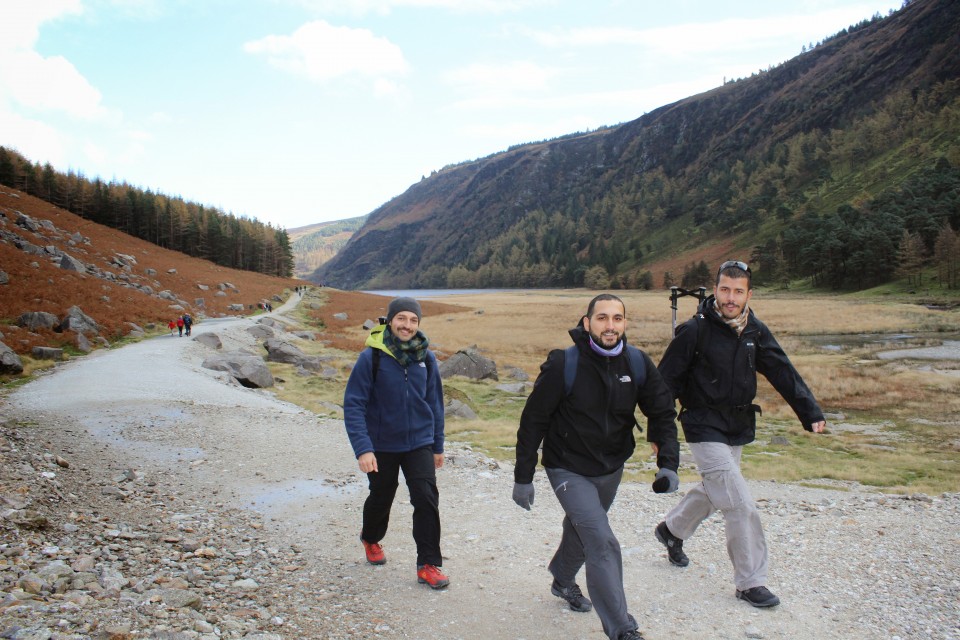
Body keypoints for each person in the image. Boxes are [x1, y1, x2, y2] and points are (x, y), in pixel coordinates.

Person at [655, 260, 827, 608]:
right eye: (724, 290)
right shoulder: (695, 331)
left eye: (738, 291)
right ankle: (750, 582)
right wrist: (661, 432)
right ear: (715, 290)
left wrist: (809, 412)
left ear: (749, 293)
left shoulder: (754, 330)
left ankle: (671, 530)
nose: (730, 298)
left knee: (716, 488)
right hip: (703, 426)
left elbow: (782, 370)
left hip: (736, 426)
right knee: (739, 502)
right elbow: (663, 384)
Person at [513, 293, 680, 640]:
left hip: (611, 467)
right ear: (587, 323)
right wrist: (523, 477)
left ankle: (562, 578)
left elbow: (662, 411)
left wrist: (668, 464)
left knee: (584, 529)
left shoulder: (636, 363)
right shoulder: (565, 364)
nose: (610, 325)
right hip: (567, 468)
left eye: (617, 318)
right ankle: (622, 629)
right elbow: (533, 421)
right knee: (601, 539)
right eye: (602, 318)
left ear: (624, 324)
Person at [342, 297, 449, 589]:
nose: (407, 325)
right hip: (382, 444)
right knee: (382, 495)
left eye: (413, 320)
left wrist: (437, 445)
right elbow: (354, 404)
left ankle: (428, 564)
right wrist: (363, 448)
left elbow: (435, 403)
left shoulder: (425, 357)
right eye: (402, 319)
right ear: (390, 320)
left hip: (420, 443)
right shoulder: (372, 357)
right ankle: (371, 538)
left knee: (426, 499)